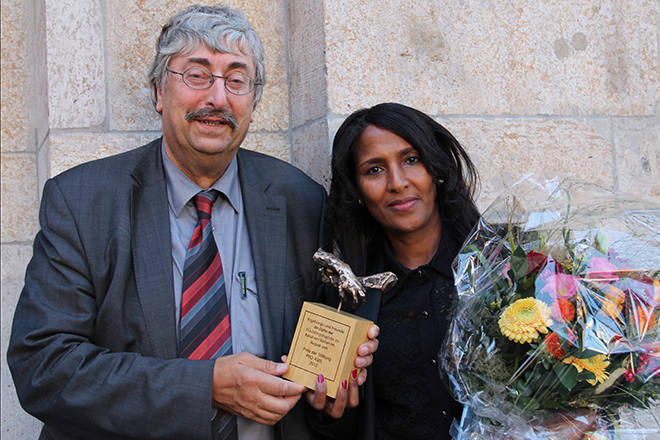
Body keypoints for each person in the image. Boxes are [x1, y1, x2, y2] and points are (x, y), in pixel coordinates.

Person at [7, 5, 377, 440]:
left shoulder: (300, 199)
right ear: (159, 92)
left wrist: (326, 389)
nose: (217, 99)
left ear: (253, 104)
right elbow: (44, 367)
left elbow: (313, 360)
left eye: (236, 79)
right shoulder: (81, 202)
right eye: (197, 74)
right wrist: (206, 388)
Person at [324, 103, 481, 440]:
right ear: (358, 192)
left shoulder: (501, 267)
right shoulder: (348, 301)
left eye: (411, 160)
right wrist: (330, 410)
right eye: (374, 170)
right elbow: (337, 425)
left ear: (435, 170)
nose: (397, 182)